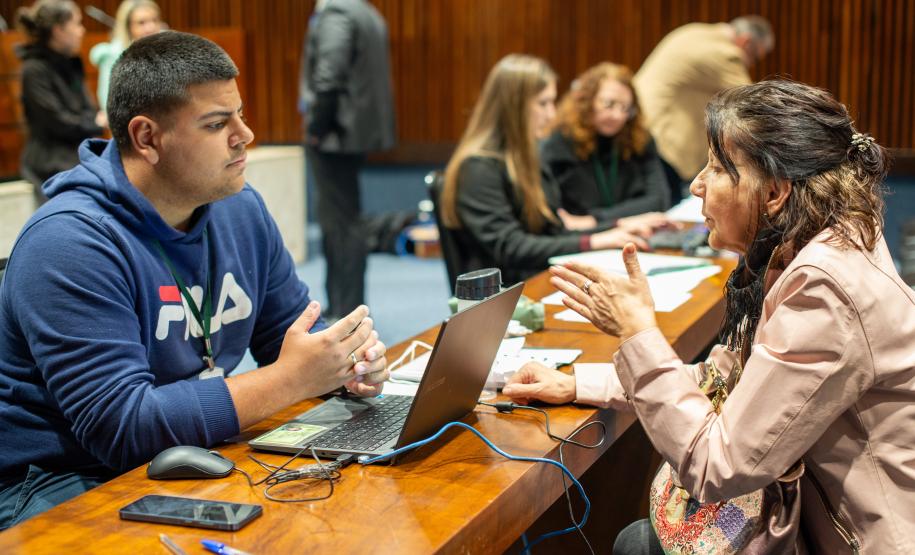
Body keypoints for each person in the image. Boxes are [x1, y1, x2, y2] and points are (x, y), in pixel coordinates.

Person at [503, 80, 915, 553]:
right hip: (829, 521)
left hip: (864, 540)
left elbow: (717, 467)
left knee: (635, 544)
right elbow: (729, 383)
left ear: (775, 192)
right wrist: (578, 383)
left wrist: (638, 332)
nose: (698, 184)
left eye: (718, 167)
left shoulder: (824, 286)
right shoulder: (811, 243)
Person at [0, 31, 389, 531]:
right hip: (55, 478)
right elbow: (120, 427)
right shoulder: (69, 243)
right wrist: (294, 378)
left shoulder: (240, 209)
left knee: (345, 515)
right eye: (216, 123)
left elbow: (289, 338)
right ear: (146, 138)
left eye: (240, 114)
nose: (245, 135)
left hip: (185, 448)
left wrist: (345, 363)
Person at [440, 54, 654, 286]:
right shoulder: (478, 168)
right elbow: (511, 247)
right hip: (507, 296)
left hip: (536, 279)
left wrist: (616, 227)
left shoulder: (528, 158)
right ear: (514, 106)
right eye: (543, 103)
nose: (552, 114)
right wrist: (594, 241)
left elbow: (553, 231)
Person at [299, 0, 396, 321]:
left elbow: (329, 75)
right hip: (353, 132)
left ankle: (345, 309)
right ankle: (345, 304)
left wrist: (316, 128)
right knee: (344, 222)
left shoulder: (336, 13)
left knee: (340, 225)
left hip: (335, 135)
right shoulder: (366, 11)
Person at [634, 16, 774, 198]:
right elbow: (755, 105)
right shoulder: (723, 53)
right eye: (754, 57)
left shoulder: (694, 31)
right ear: (745, 41)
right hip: (663, 140)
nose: (750, 64)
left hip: (643, 128)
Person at [541, 62, 671, 230]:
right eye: (609, 104)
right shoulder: (560, 142)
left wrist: (594, 220)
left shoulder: (639, 140)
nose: (617, 116)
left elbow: (659, 200)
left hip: (633, 234)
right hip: (580, 241)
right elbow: (559, 218)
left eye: (625, 108)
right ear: (586, 101)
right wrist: (627, 216)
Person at [15, 0, 105, 200]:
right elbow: (57, 121)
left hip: (76, 149)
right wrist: (93, 123)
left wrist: (93, 121)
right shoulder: (34, 70)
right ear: (58, 30)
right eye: (77, 24)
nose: (82, 31)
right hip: (51, 159)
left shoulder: (70, 63)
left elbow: (88, 108)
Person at [89, 0, 163, 118]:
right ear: (128, 27)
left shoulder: (168, 52)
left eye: (155, 20)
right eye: (141, 23)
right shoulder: (113, 57)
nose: (151, 27)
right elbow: (108, 102)